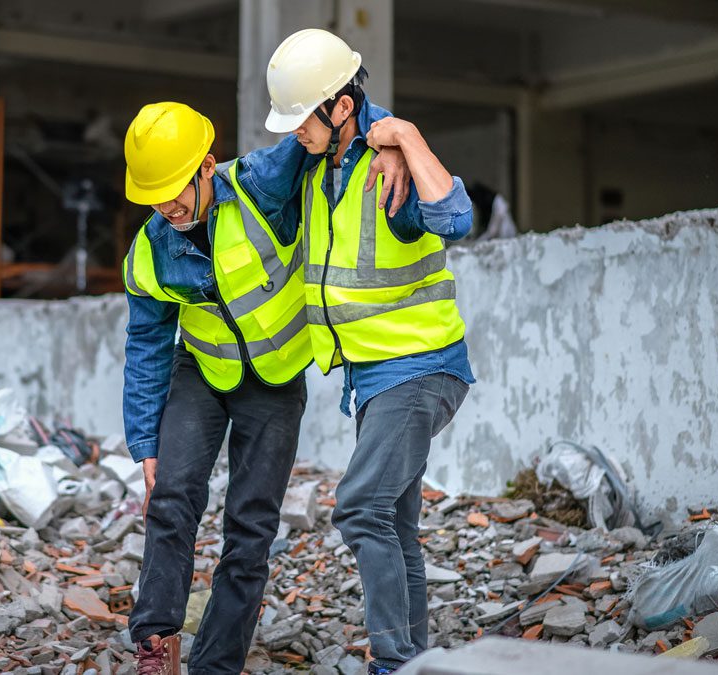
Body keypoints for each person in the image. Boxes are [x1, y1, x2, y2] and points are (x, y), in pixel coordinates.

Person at [264, 29, 477, 673]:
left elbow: (457, 219)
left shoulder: (391, 168)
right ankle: (416, 660)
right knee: (395, 522)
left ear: (341, 108)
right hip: (374, 376)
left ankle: (392, 660)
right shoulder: (318, 161)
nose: (294, 132)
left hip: (421, 369)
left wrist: (404, 139)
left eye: (303, 119)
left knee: (359, 507)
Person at [119, 101, 314, 675]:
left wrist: (394, 137)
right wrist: (145, 445)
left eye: (176, 189)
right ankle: (156, 644)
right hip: (202, 370)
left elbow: (322, 119)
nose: (167, 207)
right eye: (153, 196)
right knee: (172, 496)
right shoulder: (152, 251)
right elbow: (146, 347)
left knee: (251, 528)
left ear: (207, 167)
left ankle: (216, 666)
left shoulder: (260, 185)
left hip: (276, 380)